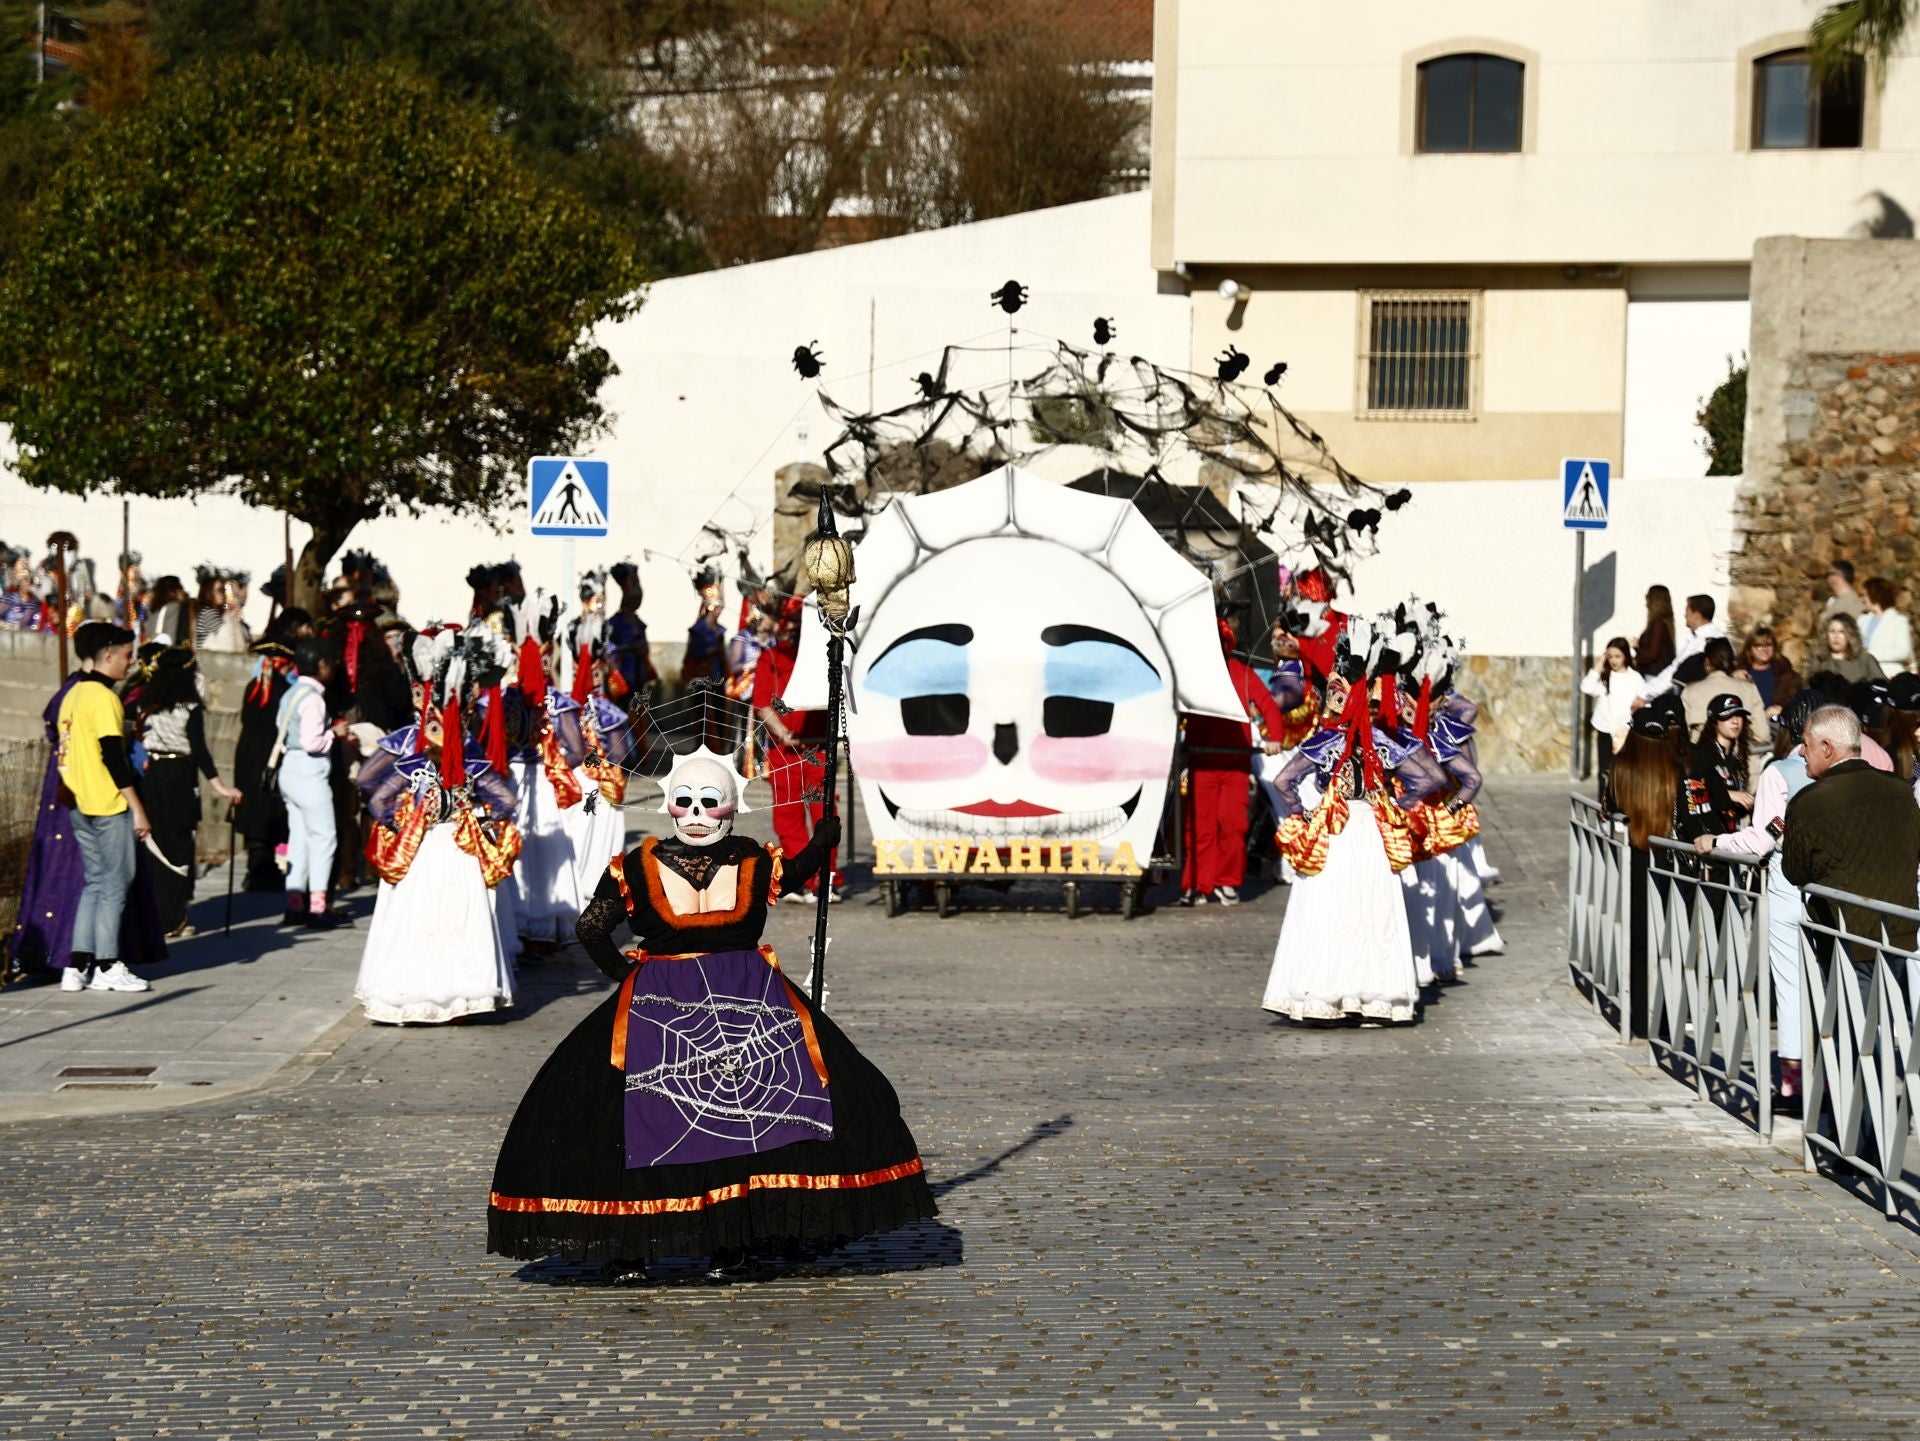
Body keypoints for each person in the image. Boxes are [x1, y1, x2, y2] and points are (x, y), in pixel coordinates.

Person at [488, 747, 936, 1277]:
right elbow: (793, 874)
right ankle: (729, 1245)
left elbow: (592, 929)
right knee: (748, 1116)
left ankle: (646, 1249)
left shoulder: (644, 865)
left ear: (729, 808)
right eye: (686, 802)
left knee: (653, 1117)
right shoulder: (753, 862)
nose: (697, 815)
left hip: (665, 999)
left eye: (709, 803)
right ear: (671, 807)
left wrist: (628, 976)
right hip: (747, 994)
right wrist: (821, 843)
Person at [1261, 619, 1445, 1025]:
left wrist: (1305, 814)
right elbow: (1432, 778)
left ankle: (1324, 998)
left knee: (1330, 912)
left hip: (1334, 831)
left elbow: (1283, 780)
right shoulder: (1383, 742)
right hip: (1373, 832)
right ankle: (1377, 1000)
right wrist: (1395, 803)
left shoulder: (1325, 740)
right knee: (1372, 910)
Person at [355, 691, 522, 1025]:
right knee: (460, 921)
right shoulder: (472, 765)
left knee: (417, 920)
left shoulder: (413, 765)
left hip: (423, 848)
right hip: (460, 849)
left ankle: (409, 999)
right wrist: (481, 819)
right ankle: (463, 1000)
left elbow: (376, 800)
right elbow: (507, 800)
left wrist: (401, 821)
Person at [1695, 689, 1827, 1112]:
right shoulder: (1856, 769)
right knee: (1831, 984)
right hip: (1838, 887)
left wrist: (1715, 840)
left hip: (1790, 885)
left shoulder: (1779, 772)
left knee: (1791, 988)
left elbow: (1762, 839)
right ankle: (1835, 1077)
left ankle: (1793, 1085)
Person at [55, 623, 154, 993]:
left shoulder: (73, 694)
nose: (129, 664)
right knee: (115, 883)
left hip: (79, 800)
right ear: (108, 653)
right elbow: (114, 756)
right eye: (127, 655)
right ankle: (108, 964)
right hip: (107, 803)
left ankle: (77, 964)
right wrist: (138, 808)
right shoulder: (104, 698)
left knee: (95, 882)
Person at [1783, 705, 1920, 958]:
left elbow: (1794, 871)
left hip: (1845, 936)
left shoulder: (1808, 801)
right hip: (1900, 932)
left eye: (1805, 744)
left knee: (1853, 998)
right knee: (1892, 998)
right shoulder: (1901, 789)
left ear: (1826, 748)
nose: (1801, 751)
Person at [133, 647, 242, 938]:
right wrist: (221, 787)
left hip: (153, 775)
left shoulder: (147, 704)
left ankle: (157, 914)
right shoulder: (190, 710)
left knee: (156, 843)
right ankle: (174, 916)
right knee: (179, 845)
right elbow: (200, 752)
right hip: (180, 776)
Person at [1180, 619, 1287, 906]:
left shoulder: (1242, 674)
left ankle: (1226, 881)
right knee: (1199, 828)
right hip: (1203, 762)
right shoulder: (1194, 676)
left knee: (1233, 825)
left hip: (1235, 765)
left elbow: (1267, 705)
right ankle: (1197, 884)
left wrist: (1275, 736)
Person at [753, 595, 842, 900]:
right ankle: (798, 877)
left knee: (824, 813)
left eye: (798, 622)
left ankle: (826, 877)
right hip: (785, 750)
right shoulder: (771, 658)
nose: (792, 627)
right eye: (789, 621)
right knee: (787, 815)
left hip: (819, 748)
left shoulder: (826, 656)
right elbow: (762, 703)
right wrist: (783, 732)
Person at [277, 637, 350, 929]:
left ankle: (295, 902)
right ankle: (318, 906)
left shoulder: (290, 693)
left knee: (299, 838)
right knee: (323, 837)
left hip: (289, 768)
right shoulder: (314, 699)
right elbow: (312, 741)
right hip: (309, 771)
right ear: (322, 665)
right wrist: (336, 733)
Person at [1582, 636, 1643, 805]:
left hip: (1626, 732)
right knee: (1605, 772)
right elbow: (1586, 687)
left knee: (1625, 773)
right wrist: (1599, 663)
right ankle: (1605, 810)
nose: (1614, 661)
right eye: (1610, 656)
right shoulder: (1604, 677)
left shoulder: (1635, 678)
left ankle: (1621, 810)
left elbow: (1644, 701)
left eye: (1618, 656)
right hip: (1605, 730)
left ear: (1625, 656)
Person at [1680, 638, 1771, 751]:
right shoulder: (1749, 689)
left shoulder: (1690, 692)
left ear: (1707, 662)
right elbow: (1762, 735)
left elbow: (1685, 736)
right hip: (1744, 762)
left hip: (1703, 761)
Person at [1687, 693, 1754, 834]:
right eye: (1728, 716)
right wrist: (1728, 795)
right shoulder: (1703, 754)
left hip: (1729, 837)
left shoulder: (1735, 760)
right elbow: (1692, 801)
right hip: (1706, 840)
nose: (1735, 721)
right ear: (1714, 721)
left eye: (1739, 715)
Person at [1639, 594, 1726, 699]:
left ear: (1696, 615)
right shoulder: (1696, 638)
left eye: (1687, 611)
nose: (1685, 615)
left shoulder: (1708, 642)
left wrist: (1644, 694)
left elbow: (1674, 672)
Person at [605, 562, 653, 702]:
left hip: (639, 677)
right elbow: (609, 651)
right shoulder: (615, 623)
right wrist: (630, 648)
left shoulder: (639, 624)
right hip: (622, 679)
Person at [1735, 626, 1800, 722]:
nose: (1765, 649)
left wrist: (1782, 708)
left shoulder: (1785, 672)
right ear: (1750, 649)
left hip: (1776, 724)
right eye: (1759, 645)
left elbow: (1798, 700)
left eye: (1768, 645)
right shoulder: (1739, 673)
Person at [1860, 577, 1912, 676]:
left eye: (1864, 595)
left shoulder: (1898, 621)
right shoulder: (1862, 620)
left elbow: (1903, 652)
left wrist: (1871, 654)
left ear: (1876, 595)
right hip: (1864, 675)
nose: (1862, 599)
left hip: (1889, 676)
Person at [1813, 613, 1884, 686]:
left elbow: (1883, 687)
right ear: (1826, 634)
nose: (1836, 636)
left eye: (1841, 632)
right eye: (1832, 631)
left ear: (1850, 634)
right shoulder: (1819, 660)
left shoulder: (1865, 660)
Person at [1635, 585, 1678, 682]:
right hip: (1659, 674)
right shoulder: (1665, 622)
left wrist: (1637, 649)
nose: (1646, 601)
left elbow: (1652, 654)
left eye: (1648, 597)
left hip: (1653, 675)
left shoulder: (1658, 623)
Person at [1820, 560, 1865, 628]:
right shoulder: (1837, 601)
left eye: (1830, 574)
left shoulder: (1851, 602)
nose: (1828, 578)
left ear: (1839, 575)